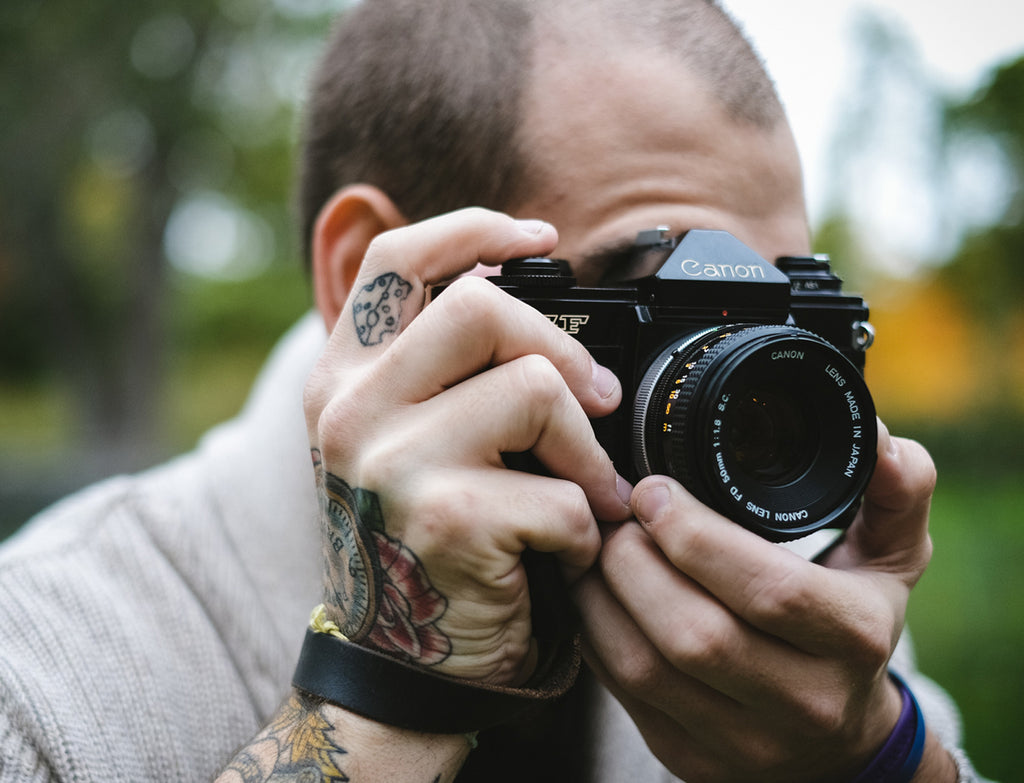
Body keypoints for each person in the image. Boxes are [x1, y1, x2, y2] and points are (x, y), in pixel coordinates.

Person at [0, 1, 987, 781]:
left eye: (770, 318)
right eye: (639, 301)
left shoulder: (799, 680)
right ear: (371, 286)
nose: (743, 383)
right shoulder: (44, 677)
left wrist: (876, 761)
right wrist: (385, 691)